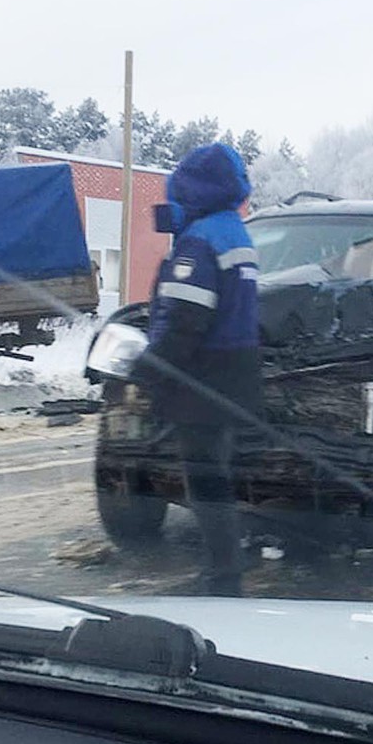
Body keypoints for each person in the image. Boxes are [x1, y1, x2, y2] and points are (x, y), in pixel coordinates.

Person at [131, 143, 262, 596]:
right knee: (215, 476)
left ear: (193, 191)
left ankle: (223, 578)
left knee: (206, 482)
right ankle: (225, 565)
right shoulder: (234, 233)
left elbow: (186, 319)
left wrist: (150, 365)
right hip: (231, 376)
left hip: (201, 381)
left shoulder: (199, 242)